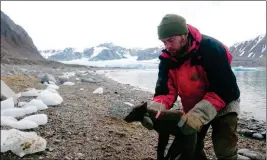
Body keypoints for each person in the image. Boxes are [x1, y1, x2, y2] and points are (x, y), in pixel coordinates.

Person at [142, 14, 241, 160]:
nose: (168, 46)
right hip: (193, 105)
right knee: (191, 147)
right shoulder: (167, 60)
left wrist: (198, 115)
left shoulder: (211, 48)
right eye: (164, 42)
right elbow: (165, 92)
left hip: (224, 100)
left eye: (171, 40)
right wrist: (154, 111)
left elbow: (224, 89)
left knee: (224, 144)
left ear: (184, 35)